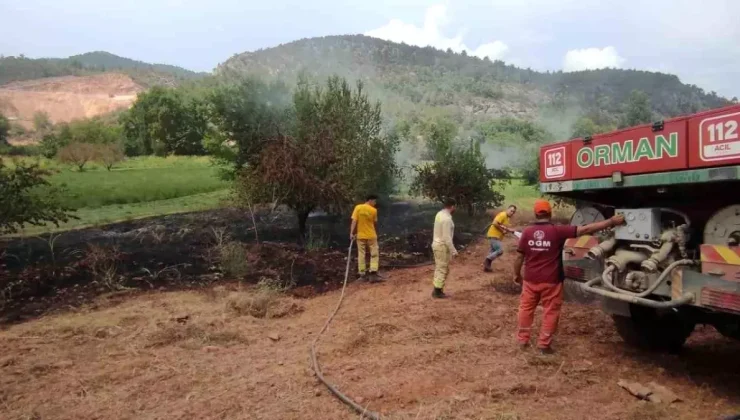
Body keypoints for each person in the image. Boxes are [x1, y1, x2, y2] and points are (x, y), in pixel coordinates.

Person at [513, 199, 624, 354]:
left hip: (530, 280)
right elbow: (586, 229)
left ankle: (522, 340)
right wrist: (611, 221)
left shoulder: (527, 233)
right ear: (550, 214)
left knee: (525, 308)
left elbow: (519, 257)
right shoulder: (558, 231)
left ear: (535, 214)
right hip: (551, 281)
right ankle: (543, 345)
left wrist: (517, 275)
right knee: (551, 311)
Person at [431, 198, 458, 299]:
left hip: (436, 244)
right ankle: (437, 291)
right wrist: (453, 251)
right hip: (442, 246)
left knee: (440, 267)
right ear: (452, 206)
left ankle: (437, 289)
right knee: (442, 268)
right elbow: (447, 238)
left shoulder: (439, 214)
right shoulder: (447, 219)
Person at [351, 194, 380, 282]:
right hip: (371, 235)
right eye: (374, 201)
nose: (375, 203)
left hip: (360, 236)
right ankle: (373, 273)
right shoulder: (374, 210)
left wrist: (352, 233)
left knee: (361, 255)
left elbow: (354, 221)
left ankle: (362, 275)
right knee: (374, 254)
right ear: (370, 200)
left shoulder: (358, 208)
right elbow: (375, 223)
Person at [484, 205, 518, 273]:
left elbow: (502, 226)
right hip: (494, 235)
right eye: (511, 211)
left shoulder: (507, 218)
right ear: (507, 209)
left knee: (492, 252)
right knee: (500, 251)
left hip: (497, 236)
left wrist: (510, 230)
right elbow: (495, 223)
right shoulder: (503, 215)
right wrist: (502, 231)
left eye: (513, 212)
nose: (512, 213)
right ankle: (487, 260)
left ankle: (487, 267)